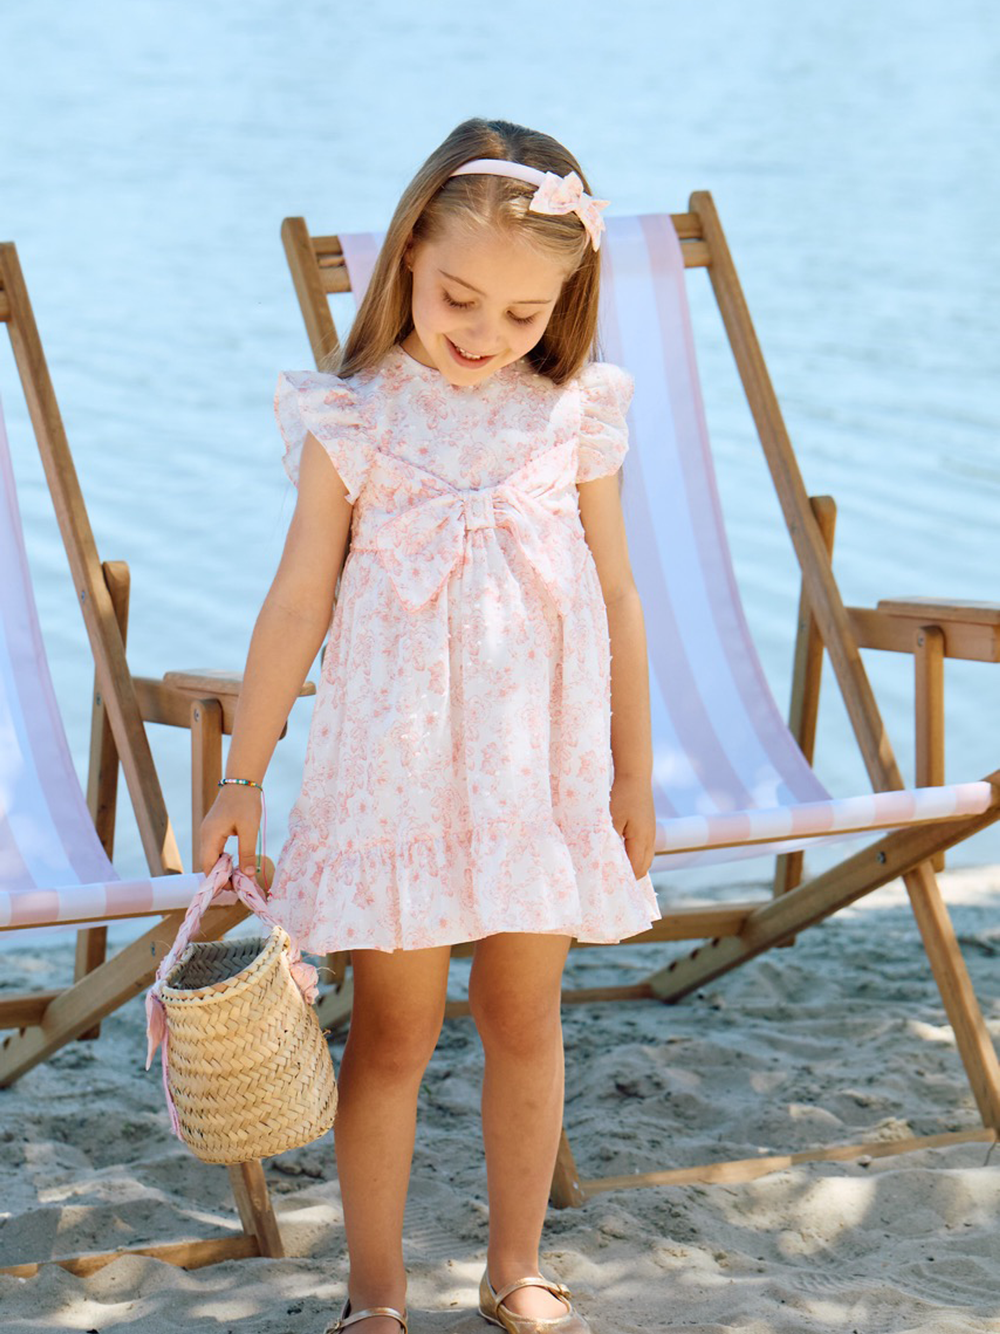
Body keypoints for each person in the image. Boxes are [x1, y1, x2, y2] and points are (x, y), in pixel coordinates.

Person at [200, 117, 661, 1334]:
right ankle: (377, 1291)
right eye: (460, 296)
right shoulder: (352, 414)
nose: (484, 333)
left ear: (563, 301)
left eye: (522, 314)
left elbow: (617, 597)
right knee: (392, 1035)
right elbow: (298, 596)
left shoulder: (573, 413)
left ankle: (516, 1262)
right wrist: (242, 775)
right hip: (393, 781)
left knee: (523, 1017)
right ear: (406, 252)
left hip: (536, 778)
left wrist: (632, 775)